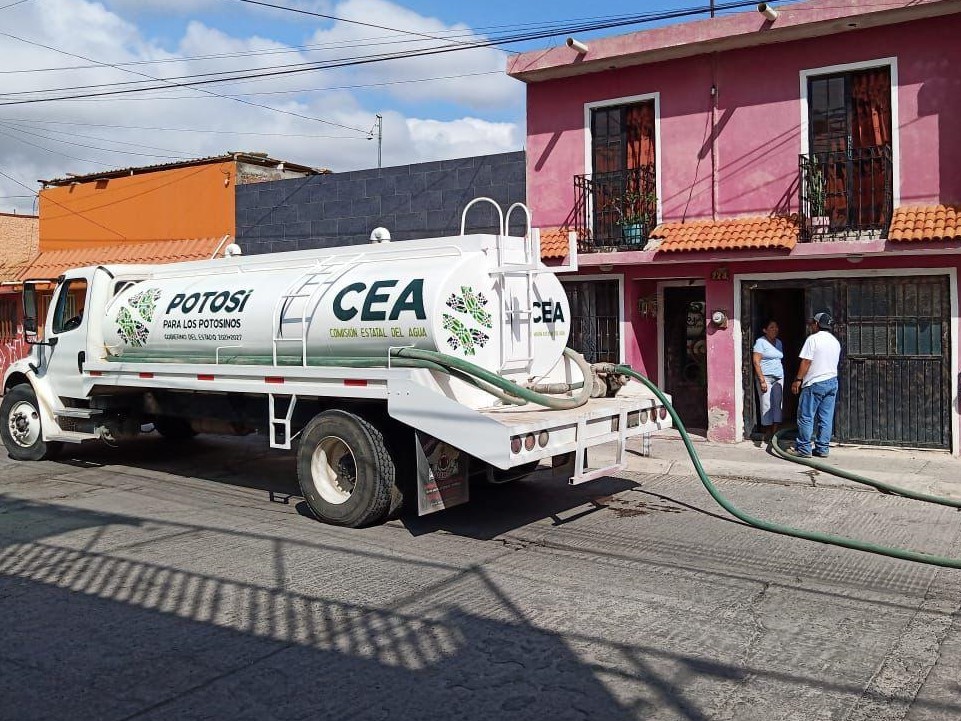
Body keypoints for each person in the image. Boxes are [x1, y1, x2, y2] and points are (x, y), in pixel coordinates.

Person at [788, 311, 841, 458]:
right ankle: (822, 449)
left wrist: (798, 379)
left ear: (817, 324)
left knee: (806, 416)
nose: (811, 326)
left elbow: (806, 361)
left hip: (814, 383)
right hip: (832, 381)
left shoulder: (813, 339)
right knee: (826, 418)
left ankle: (804, 449)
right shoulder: (835, 342)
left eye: (812, 323)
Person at [751, 318, 784, 441]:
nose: (775, 329)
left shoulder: (779, 342)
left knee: (777, 404)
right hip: (765, 377)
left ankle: (775, 432)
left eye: (776, 327)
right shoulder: (760, 342)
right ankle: (767, 431)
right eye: (771, 327)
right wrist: (762, 380)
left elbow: (778, 359)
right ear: (765, 330)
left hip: (779, 377)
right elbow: (756, 361)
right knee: (766, 404)